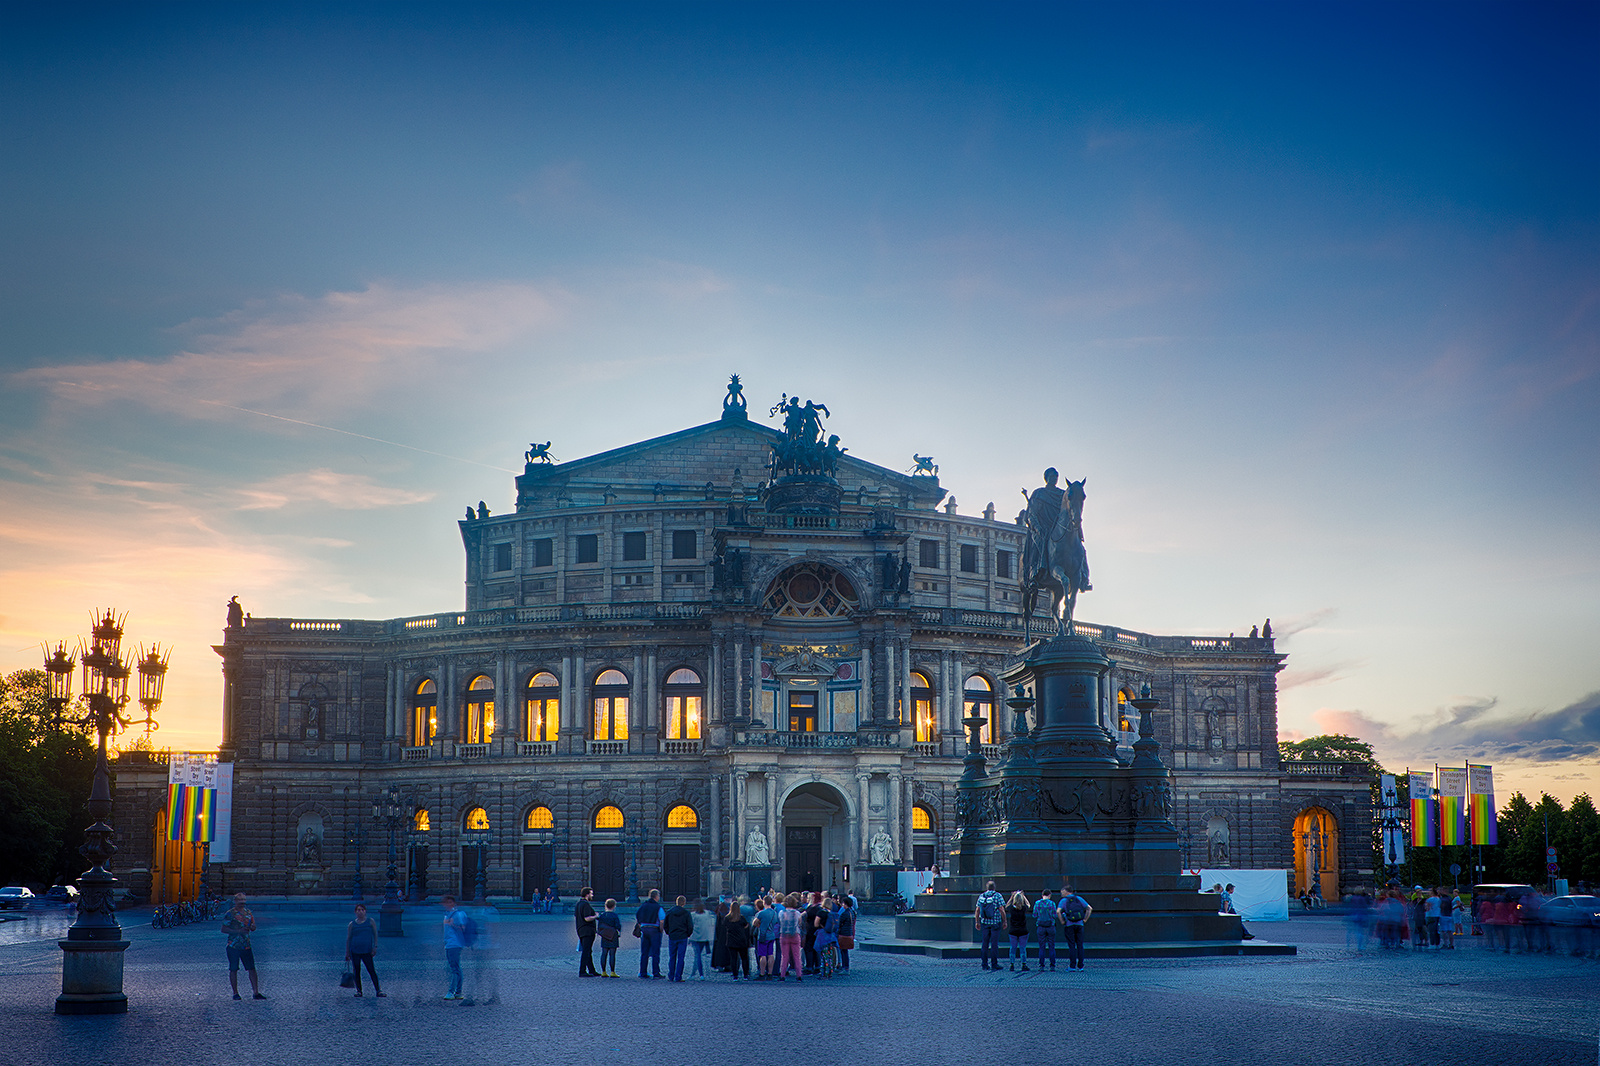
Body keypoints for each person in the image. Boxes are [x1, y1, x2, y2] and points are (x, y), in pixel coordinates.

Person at [222, 892, 266, 1000]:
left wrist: (253, 927)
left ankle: (256, 992)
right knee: (233, 969)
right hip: (233, 945)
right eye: (240, 900)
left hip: (246, 945)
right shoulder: (230, 914)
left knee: (252, 969)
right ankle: (235, 993)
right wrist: (238, 931)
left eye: (243, 900)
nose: (242, 902)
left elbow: (253, 926)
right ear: (235, 901)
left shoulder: (248, 912)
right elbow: (223, 929)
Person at [344, 902, 384, 997]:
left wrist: (375, 946)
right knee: (357, 971)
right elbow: (348, 938)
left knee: (371, 970)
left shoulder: (370, 921)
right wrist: (347, 952)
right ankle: (359, 990)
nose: (360, 912)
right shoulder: (352, 924)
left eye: (362, 910)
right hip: (355, 950)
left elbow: (375, 934)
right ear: (355, 912)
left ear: (365, 911)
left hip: (367, 950)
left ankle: (378, 990)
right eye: (358, 910)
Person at [1059, 883, 1092, 971]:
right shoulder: (1079, 899)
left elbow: (1058, 911)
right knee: (1080, 945)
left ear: (1066, 892)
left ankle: (1072, 966)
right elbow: (1089, 908)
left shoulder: (1064, 900)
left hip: (1069, 925)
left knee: (1071, 945)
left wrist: (1062, 921)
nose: (1061, 894)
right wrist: (1085, 919)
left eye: (1062, 892)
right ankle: (1081, 966)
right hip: (1079, 924)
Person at [974, 880, 1005, 971]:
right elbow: (1001, 909)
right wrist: (1005, 921)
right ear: (994, 887)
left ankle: (984, 964)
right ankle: (994, 964)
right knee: (994, 944)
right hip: (995, 923)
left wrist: (977, 922)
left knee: (985, 944)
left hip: (985, 923)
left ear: (986, 888)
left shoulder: (981, 896)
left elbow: (977, 910)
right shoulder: (997, 896)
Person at [441, 894, 467, 999]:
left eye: (450, 902)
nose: (448, 904)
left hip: (455, 944)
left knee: (454, 969)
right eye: (446, 902)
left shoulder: (457, 914)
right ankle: (458, 992)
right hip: (449, 943)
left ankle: (451, 992)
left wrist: (453, 925)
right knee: (456, 968)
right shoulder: (447, 915)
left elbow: (463, 928)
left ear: (454, 903)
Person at [636, 889, 665, 979]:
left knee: (644, 952)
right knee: (655, 952)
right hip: (654, 930)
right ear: (656, 896)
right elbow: (662, 919)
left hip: (644, 929)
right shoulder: (658, 907)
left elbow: (638, 915)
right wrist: (661, 930)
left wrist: (641, 925)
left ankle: (642, 972)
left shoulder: (643, 906)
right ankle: (656, 972)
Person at [777, 892, 806, 981]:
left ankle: (782, 975)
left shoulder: (781, 912)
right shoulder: (797, 913)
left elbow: (780, 922)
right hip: (795, 935)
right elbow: (800, 923)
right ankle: (799, 975)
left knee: (784, 956)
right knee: (797, 956)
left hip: (784, 935)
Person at [664, 895, 693, 982]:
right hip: (682, 936)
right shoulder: (686, 913)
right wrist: (687, 934)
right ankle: (678, 976)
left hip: (673, 936)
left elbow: (666, 925)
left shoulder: (669, 912)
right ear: (684, 903)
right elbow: (690, 926)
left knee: (672, 957)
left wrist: (669, 932)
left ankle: (671, 975)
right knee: (681, 958)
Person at [574, 887, 600, 977]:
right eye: (591, 894)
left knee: (588, 951)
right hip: (587, 931)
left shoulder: (578, 904)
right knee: (586, 951)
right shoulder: (585, 905)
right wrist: (596, 916)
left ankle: (592, 970)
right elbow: (587, 918)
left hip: (581, 930)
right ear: (587, 894)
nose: (592, 895)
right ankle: (582, 971)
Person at [1005, 890, 1032, 971]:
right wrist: (1024, 896)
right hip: (1023, 931)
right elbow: (1028, 905)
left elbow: (1006, 906)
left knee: (1013, 948)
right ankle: (1023, 964)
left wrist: (1011, 897)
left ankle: (1012, 964)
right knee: (1023, 948)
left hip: (1013, 931)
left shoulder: (1012, 909)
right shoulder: (1023, 908)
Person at [1033, 889, 1059, 971]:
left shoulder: (1037, 903)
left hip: (1040, 926)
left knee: (1041, 946)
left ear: (1042, 895)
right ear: (1050, 895)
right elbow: (1055, 915)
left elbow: (1034, 915)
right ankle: (1052, 965)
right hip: (1050, 926)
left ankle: (1041, 965)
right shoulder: (1052, 903)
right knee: (1051, 946)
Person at [724, 904, 752, 979]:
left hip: (731, 940)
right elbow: (746, 926)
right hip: (741, 940)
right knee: (744, 958)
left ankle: (735, 975)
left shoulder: (727, 918)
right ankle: (745, 975)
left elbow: (725, 926)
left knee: (733, 959)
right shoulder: (741, 918)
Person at [690, 899, 716, 979]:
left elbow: (690, 926)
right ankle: (693, 973)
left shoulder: (693, 915)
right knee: (697, 956)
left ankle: (700, 974)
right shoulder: (707, 913)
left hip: (695, 938)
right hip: (704, 938)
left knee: (697, 956)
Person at [753, 897, 778, 979]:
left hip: (763, 935)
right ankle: (770, 973)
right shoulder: (775, 913)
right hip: (772, 935)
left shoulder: (761, 913)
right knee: (770, 954)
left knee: (762, 955)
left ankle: (762, 973)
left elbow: (754, 923)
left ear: (764, 902)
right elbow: (776, 922)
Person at [596, 897, 622, 977]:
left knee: (604, 953)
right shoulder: (614, 916)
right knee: (612, 954)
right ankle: (612, 971)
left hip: (605, 936)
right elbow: (618, 926)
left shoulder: (602, 915)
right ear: (614, 906)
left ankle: (603, 971)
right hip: (613, 936)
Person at [804, 891, 827, 973]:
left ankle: (810, 967)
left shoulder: (815, 908)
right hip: (814, 930)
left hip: (812, 930)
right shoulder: (818, 907)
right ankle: (816, 966)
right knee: (814, 948)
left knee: (809, 948)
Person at [835, 892, 856, 974]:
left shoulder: (845, 914)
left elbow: (839, 923)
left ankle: (845, 967)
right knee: (845, 952)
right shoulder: (852, 912)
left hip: (843, 933)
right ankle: (846, 967)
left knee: (843, 951)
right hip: (849, 933)